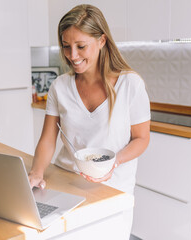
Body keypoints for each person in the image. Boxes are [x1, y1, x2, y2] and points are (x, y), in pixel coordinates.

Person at [28, 4, 150, 238]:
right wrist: (37, 171)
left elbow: (141, 138)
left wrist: (113, 163)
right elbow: (47, 139)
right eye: (66, 46)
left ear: (102, 41)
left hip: (113, 190)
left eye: (81, 46)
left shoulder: (130, 84)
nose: (72, 56)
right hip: (66, 184)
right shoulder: (59, 86)